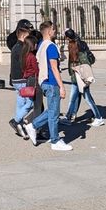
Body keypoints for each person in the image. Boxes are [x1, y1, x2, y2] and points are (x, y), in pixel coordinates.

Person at [27, 21, 72, 151]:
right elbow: (54, 67)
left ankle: (34, 126)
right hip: (51, 82)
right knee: (54, 113)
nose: (55, 31)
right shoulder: (51, 47)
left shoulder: (41, 45)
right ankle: (54, 140)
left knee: (53, 110)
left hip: (43, 81)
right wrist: (62, 86)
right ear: (49, 31)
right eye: (53, 29)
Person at [64, 28, 104, 126]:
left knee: (85, 97)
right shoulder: (77, 43)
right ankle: (70, 116)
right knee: (75, 97)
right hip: (77, 75)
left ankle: (98, 117)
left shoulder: (77, 46)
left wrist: (78, 70)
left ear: (68, 37)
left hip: (79, 76)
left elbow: (84, 61)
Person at [8, 24, 36, 139]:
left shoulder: (15, 47)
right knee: (29, 104)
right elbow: (24, 65)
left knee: (20, 102)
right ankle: (16, 120)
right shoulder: (21, 48)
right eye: (28, 36)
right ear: (24, 36)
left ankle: (19, 124)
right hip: (21, 79)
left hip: (15, 79)